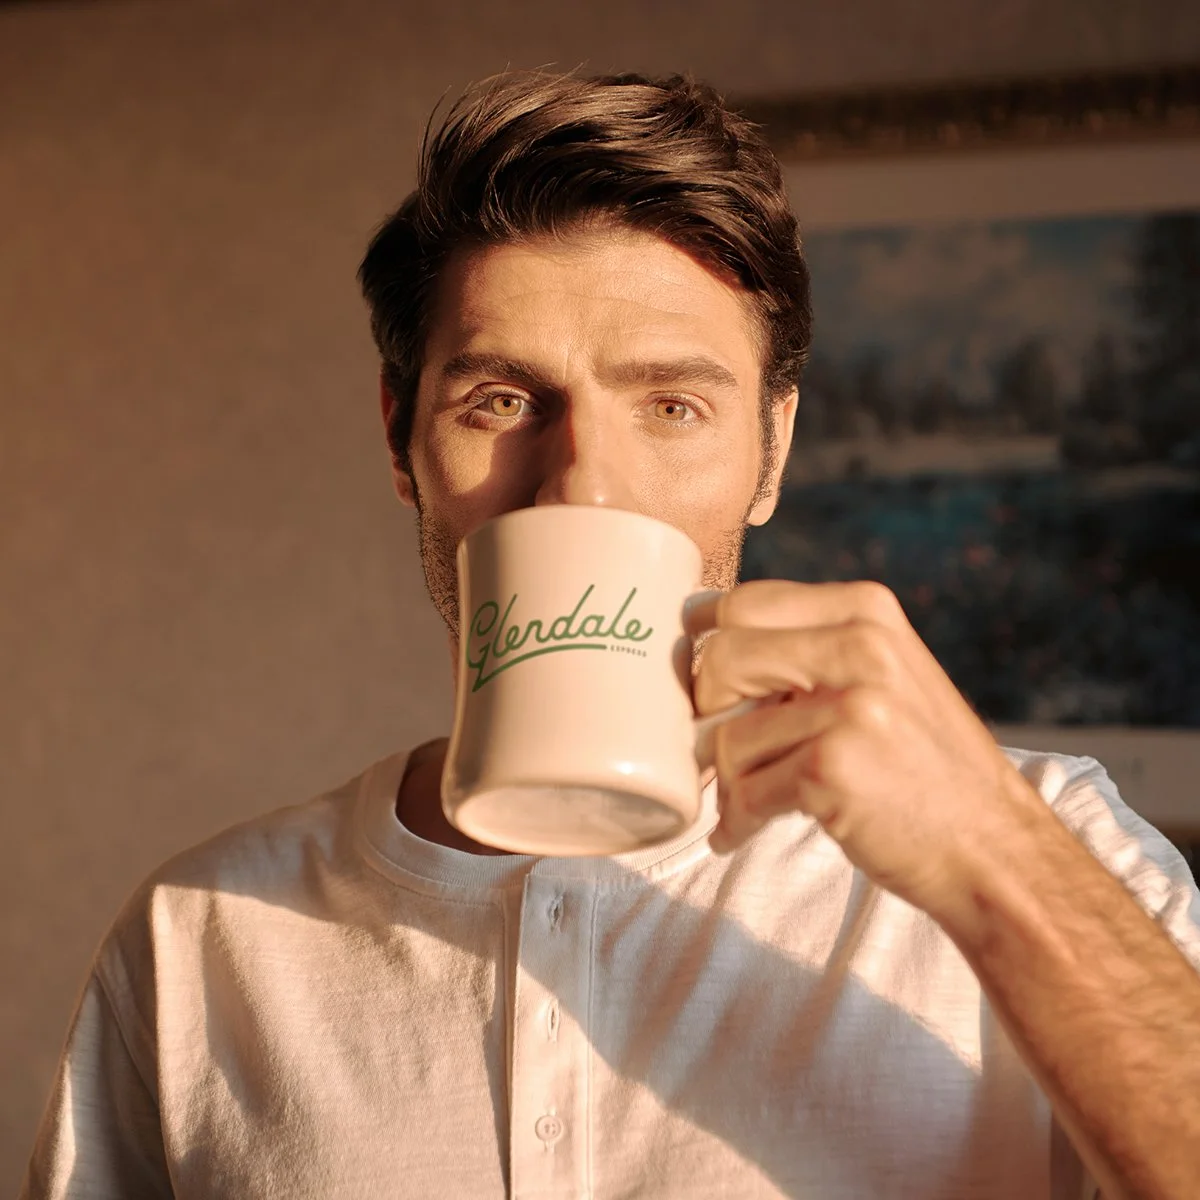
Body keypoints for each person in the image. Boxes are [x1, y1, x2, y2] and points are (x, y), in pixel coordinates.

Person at [20, 70, 1200, 1200]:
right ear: (400, 444)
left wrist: (994, 859)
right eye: (501, 401)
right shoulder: (203, 938)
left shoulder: (1060, 851)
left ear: (772, 452)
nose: (582, 485)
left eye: (673, 405)